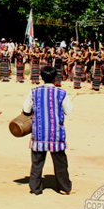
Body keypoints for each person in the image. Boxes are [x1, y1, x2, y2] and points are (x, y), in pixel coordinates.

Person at [22, 66, 73, 195]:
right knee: (60, 163)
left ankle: (35, 188)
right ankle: (64, 187)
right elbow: (69, 111)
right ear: (56, 78)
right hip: (56, 134)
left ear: (42, 78)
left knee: (37, 163)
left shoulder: (34, 91)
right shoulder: (61, 93)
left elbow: (26, 109)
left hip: (39, 133)